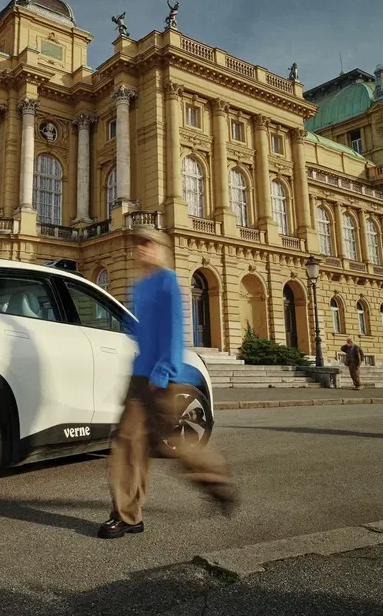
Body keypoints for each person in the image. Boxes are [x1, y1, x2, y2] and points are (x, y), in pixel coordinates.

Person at [99, 227, 237, 540]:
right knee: (126, 444)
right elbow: (139, 329)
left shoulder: (168, 282)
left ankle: (218, 482)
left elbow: (175, 331)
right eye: (139, 244)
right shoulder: (140, 285)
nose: (142, 249)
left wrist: (163, 371)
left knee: (177, 444)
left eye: (148, 244)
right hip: (139, 376)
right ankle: (128, 515)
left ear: (161, 249)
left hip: (163, 378)